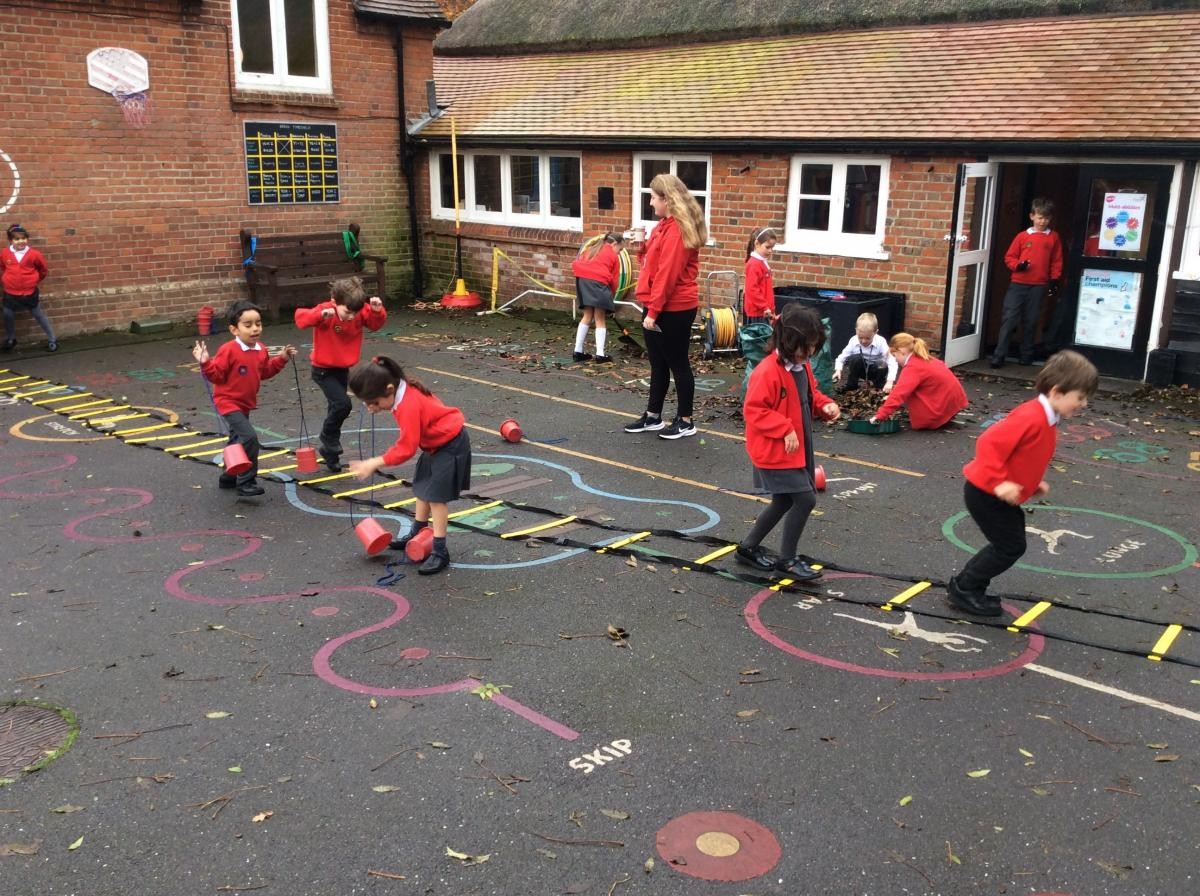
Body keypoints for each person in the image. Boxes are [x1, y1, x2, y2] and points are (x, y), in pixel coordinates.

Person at [948, 350, 1098, 616]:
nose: (1084, 404)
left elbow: (1025, 454)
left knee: (1009, 544)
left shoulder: (1048, 417)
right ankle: (965, 588)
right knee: (1010, 546)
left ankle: (969, 586)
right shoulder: (1032, 416)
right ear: (1056, 392)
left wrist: (1032, 483)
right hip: (986, 492)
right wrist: (999, 482)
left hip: (999, 495)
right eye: (1080, 397)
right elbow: (988, 443)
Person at [736, 305, 841, 582]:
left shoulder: (802, 366)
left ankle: (747, 548)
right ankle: (788, 560)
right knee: (805, 499)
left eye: (813, 348)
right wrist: (784, 428)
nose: (809, 353)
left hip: (795, 448)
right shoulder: (767, 371)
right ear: (787, 341)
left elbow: (811, 393)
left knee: (783, 501)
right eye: (804, 347)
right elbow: (754, 410)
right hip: (774, 450)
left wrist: (825, 405)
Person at [347, 356, 471, 576]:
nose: (370, 407)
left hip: (450, 444)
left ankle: (440, 550)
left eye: (373, 402)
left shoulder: (408, 404)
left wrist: (375, 462)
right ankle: (418, 531)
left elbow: (406, 448)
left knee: (436, 497)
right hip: (434, 444)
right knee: (422, 486)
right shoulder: (398, 390)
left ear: (389, 388)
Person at [624, 172, 707, 440]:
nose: (651, 203)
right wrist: (640, 248)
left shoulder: (678, 231)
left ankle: (686, 421)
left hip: (674, 308)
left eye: (654, 197)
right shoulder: (663, 226)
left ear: (667, 200)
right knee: (658, 363)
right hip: (658, 304)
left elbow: (667, 275)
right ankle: (653, 416)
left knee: (678, 363)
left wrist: (654, 312)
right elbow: (653, 266)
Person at [193, 300, 297, 497]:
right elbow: (216, 376)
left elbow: (264, 372)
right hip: (227, 401)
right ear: (234, 329)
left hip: (245, 403)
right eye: (247, 325)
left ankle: (228, 477)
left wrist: (282, 358)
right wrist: (205, 363)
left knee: (237, 439)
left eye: (258, 323)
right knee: (249, 438)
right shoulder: (228, 350)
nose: (254, 328)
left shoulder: (261, 350)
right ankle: (246, 481)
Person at [294, 276, 387, 471]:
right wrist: (321, 316)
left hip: (342, 369)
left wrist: (377, 311)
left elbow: (375, 324)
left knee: (336, 408)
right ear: (335, 302)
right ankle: (328, 439)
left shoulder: (358, 309)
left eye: (355, 312)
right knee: (342, 404)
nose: (352, 316)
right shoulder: (326, 309)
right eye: (347, 312)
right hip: (322, 370)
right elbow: (301, 319)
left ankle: (330, 452)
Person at [991, 197, 1063, 368]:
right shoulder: (1022, 237)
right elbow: (1009, 256)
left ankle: (1026, 354)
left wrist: (1055, 279)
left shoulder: (1053, 237)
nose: (1042, 221)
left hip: (1039, 284)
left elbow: (1057, 261)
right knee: (1009, 318)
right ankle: (999, 355)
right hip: (1018, 283)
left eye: (1046, 218)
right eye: (1039, 217)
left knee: (1031, 320)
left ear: (1050, 219)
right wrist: (1018, 266)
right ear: (1032, 216)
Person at [869, 333, 968, 429]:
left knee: (907, 396)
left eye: (895, 356)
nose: (895, 360)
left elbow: (900, 394)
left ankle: (934, 418)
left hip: (938, 409)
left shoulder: (912, 367)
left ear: (902, 351)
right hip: (953, 403)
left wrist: (880, 416)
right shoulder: (923, 358)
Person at [571, 233, 625, 363]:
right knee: (599, 318)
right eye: (620, 249)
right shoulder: (613, 256)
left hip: (581, 280)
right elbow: (614, 281)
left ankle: (577, 351)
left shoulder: (591, 248)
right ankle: (600, 354)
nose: (620, 253)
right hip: (599, 282)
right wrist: (609, 299)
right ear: (614, 244)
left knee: (587, 315)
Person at [1, 224, 55, 352]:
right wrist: (7, 278)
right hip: (10, 292)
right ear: (11, 241)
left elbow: (43, 270)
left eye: (24, 238)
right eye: (17, 239)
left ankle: (52, 339)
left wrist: (34, 280)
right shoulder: (5, 253)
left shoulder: (34, 254)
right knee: (7, 314)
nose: (21, 241)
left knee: (38, 314)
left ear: (27, 239)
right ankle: (11, 339)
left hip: (29, 292)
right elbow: (3, 267)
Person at [832, 312, 897, 392]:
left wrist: (890, 381)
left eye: (868, 338)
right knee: (854, 358)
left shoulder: (881, 342)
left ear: (876, 332)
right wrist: (838, 370)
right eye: (860, 337)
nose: (863, 341)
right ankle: (851, 385)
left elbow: (892, 362)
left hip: (876, 370)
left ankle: (879, 385)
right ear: (856, 331)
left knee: (881, 363)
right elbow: (842, 357)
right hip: (861, 369)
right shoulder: (853, 340)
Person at [742, 227, 778, 325]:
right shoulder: (754, 264)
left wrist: (771, 309)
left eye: (772, 247)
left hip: (765, 312)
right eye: (767, 247)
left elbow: (766, 289)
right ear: (757, 244)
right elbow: (752, 290)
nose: (770, 251)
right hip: (757, 313)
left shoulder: (762, 262)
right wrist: (764, 307)